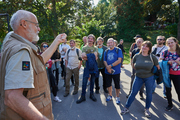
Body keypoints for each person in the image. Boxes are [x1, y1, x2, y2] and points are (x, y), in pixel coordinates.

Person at [0, 10, 66, 120]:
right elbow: (12, 97)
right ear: (24, 24)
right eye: (36, 25)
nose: (39, 29)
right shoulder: (21, 51)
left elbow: (39, 62)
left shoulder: (11, 41)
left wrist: (56, 41)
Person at [121, 41, 160, 118]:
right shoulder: (136, 56)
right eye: (143, 45)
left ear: (149, 48)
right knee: (133, 92)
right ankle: (126, 107)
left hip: (149, 78)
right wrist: (140, 71)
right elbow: (133, 65)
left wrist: (149, 71)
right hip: (138, 77)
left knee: (149, 93)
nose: (143, 47)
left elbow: (157, 67)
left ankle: (147, 109)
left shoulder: (153, 57)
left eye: (146, 46)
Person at [76, 34, 98, 104]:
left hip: (94, 67)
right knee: (84, 82)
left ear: (93, 40)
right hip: (86, 67)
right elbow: (83, 57)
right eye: (89, 38)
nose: (90, 40)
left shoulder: (95, 48)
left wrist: (87, 56)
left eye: (91, 39)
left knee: (92, 82)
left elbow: (95, 57)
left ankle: (92, 94)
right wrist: (91, 55)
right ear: (87, 39)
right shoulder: (84, 47)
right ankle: (83, 96)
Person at [159, 37, 180, 111]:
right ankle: (170, 105)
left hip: (178, 74)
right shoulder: (165, 52)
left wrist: (178, 62)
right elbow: (160, 61)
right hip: (166, 74)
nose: (170, 44)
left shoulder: (179, 51)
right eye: (168, 43)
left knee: (179, 91)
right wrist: (167, 62)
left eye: (172, 42)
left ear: (176, 42)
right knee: (168, 90)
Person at [104, 38, 123, 105]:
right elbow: (105, 60)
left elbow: (119, 60)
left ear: (114, 43)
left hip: (116, 71)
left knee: (117, 85)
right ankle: (110, 95)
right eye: (108, 43)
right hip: (108, 71)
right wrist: (108, 68)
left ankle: (117, 97)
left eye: (111, 42)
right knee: (108, 84)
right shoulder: (106, 51)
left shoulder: (118, 50)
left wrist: (110, 66)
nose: (110, 44)